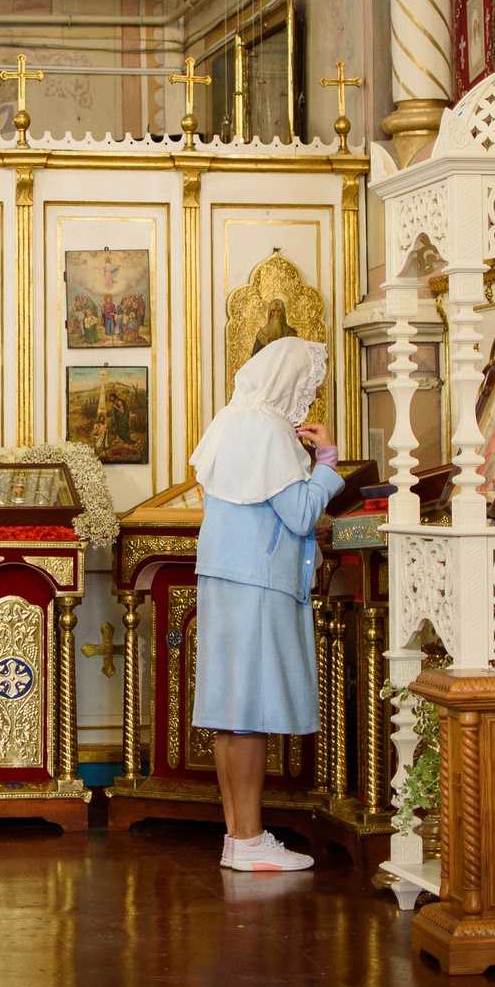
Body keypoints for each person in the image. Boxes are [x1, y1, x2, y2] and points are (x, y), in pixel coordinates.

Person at [190, 336, 341, 873]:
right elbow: (300, 514)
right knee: (248, 712)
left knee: (233, 713)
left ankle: (238, 838)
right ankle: (250, 840)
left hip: (227, 576)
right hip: (256, 580)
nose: (310, 394)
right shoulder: (269, 429)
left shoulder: (231, 419)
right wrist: (326, 461)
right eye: (309, 384)